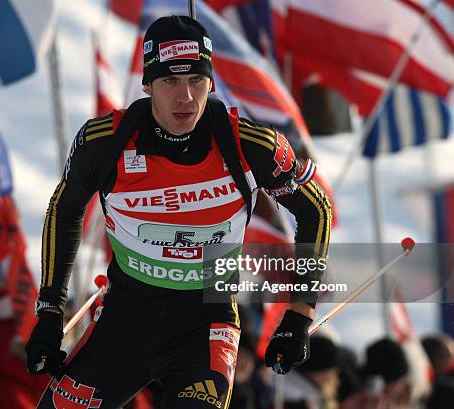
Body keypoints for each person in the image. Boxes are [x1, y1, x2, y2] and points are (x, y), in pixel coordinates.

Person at [25, 15, 331, 408]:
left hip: (207, 320)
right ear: (148, 83)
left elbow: (316, 210)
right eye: (170, 81)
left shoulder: (252, 145)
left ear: (212, 83)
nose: (185, 97)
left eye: (195, 80)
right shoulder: (104, 143)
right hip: (126, 319)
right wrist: (50, 310)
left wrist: (299, 315)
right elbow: (64, 212)